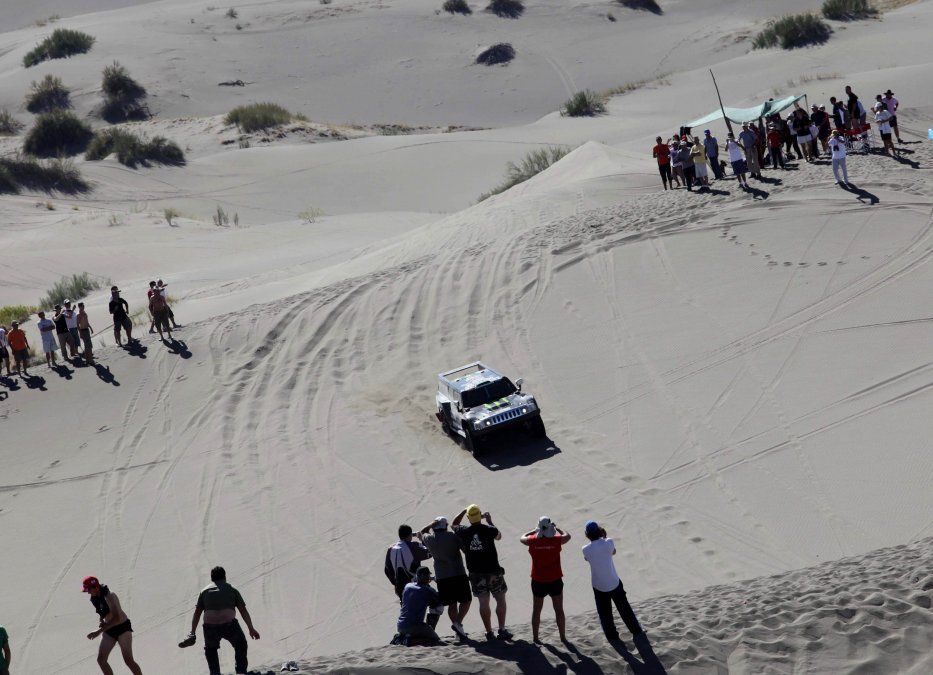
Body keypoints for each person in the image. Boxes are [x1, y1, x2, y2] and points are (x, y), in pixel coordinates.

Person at [180, 566, 261, 675]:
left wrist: (192, 632)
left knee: (211, 650)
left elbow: (197, 613)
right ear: (225, 576)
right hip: (229, 624)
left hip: (210, 625)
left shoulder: (204, 591)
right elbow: (243, 610)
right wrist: (251, 628)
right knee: (240, 644)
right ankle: (241, 671)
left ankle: (215, 673)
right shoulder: (232, 589)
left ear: (212, 578)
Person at [453, 504, 511, 641]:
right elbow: (499, 536)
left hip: (476, 573)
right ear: (480, 516)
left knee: (483, 603)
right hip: (493, 571)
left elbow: (454, 524)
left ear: (468, 518)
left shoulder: (464, 531)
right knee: (500, 600)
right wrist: (489, 520)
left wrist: (464, 511)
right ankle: (502, 630)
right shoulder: (488, 529)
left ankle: (489, 632)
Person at [581, 521, 644, 645]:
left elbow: (587, 558)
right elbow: (613, 552)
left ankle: (612, 636)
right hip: (613, 582)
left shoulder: (585, 549)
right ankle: (636, 630)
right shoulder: (609, 542)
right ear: (600, 531)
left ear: (587, 535)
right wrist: (604, 536)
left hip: (598, 585)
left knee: (604, 613)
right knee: (624, 608)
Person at [418, 516, 471, 639]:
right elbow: (465, 550)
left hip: (442, 576)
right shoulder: (453, 536)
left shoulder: (430, 538)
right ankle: (458, 624)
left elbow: (422, 532)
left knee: (452, 604)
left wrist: (431, 523)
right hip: (458, 573)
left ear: (435, 527)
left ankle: (458, 630)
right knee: (466, 600)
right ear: (446, 526)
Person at [520, 517, 571, 643]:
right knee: (559, 609)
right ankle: (563, 637)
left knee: (536, 610)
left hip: (538, 580)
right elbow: (567, 536)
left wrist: (534, 530)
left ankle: (536, 638)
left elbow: (522, 538)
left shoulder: (532, 541)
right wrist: (557, 527)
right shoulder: (556, 540)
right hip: (555, 579)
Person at [82, 576, 143, 675]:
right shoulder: (94, 597)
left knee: (128, 660)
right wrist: (101, 620)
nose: (88, 592)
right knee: (101, 660)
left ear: (96, 587)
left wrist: (98, 632)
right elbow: (102, 612)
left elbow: (117, 618)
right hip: (109, 629)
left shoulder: (110, 596)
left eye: (88, 589)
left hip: (122, 628)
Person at [394, 566, 443, 644]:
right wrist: (439, 582)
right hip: (415, 626)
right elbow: (441, 598)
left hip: (400, 625)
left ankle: (402, 637)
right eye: (427, 576)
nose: (428, 577)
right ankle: (409, 640)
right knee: (435, 639)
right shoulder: (427, 590)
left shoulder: (408, 586)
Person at [385, 525, 432, 601]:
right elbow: (430, 552)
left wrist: (395, 583)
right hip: (415, 585)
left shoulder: (391, 549)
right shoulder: (413, 546)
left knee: (405, 610)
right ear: (410, 535)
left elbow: (387, 569)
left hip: (400, 588)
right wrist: (422, 539)